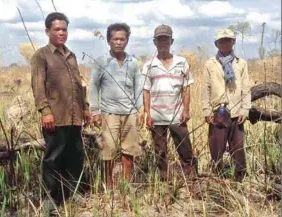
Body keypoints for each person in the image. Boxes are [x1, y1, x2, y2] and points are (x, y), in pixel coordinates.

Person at [30, 12, 91, 212]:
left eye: (64, 29)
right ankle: (50, 198)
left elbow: (79, 85)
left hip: (74, 117)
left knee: (74, 156)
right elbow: (38, 86)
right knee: (52, 158)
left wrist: (86, 107)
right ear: (47, 31)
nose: (61, 33)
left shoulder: (71, 56)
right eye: (57, 29)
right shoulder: (41, 55)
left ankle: (74, 193)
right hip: (54, 117)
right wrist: (45, 111)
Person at [90, 23, 143, 190]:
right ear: (108, 41)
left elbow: (138, 87)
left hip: (130, 113)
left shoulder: (133, 63)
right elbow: (93, 87)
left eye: (122, 39)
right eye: (115, 39)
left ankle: (127, 184)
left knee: (130, 149)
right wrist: (95, 111)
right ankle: (108, 185)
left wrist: (140, 110)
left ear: (127, 41)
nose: (119, 42)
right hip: (109, 112)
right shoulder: (101, 62)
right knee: (109, 150)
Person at [142, 24, 197, 182]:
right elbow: (146, 91)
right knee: (160, 151)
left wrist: (186, 110)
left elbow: (186, 88)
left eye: (166, 39)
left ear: (171, 41)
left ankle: (191, 177)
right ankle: (163, 180)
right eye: (160, 40)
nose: (163, 43)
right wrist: (147, 114)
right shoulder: (149, 65)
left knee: (184, 147)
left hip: (176, 113)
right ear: (155, 42)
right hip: (157, 115)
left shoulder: (181, 62)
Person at [201, 28, 251, 182]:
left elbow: (246, 87)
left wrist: (245, 109)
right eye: (221, 41)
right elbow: (205, 88)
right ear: (217, 44)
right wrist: (206, 110)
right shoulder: (210, 64)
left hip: (236, 111)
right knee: (217, 147)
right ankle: (218, 177)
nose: (225, 43)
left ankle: (239, 178)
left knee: (238, 146)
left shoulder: (241, 63)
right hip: (218, 111)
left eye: (228, 40)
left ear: (233, 42)